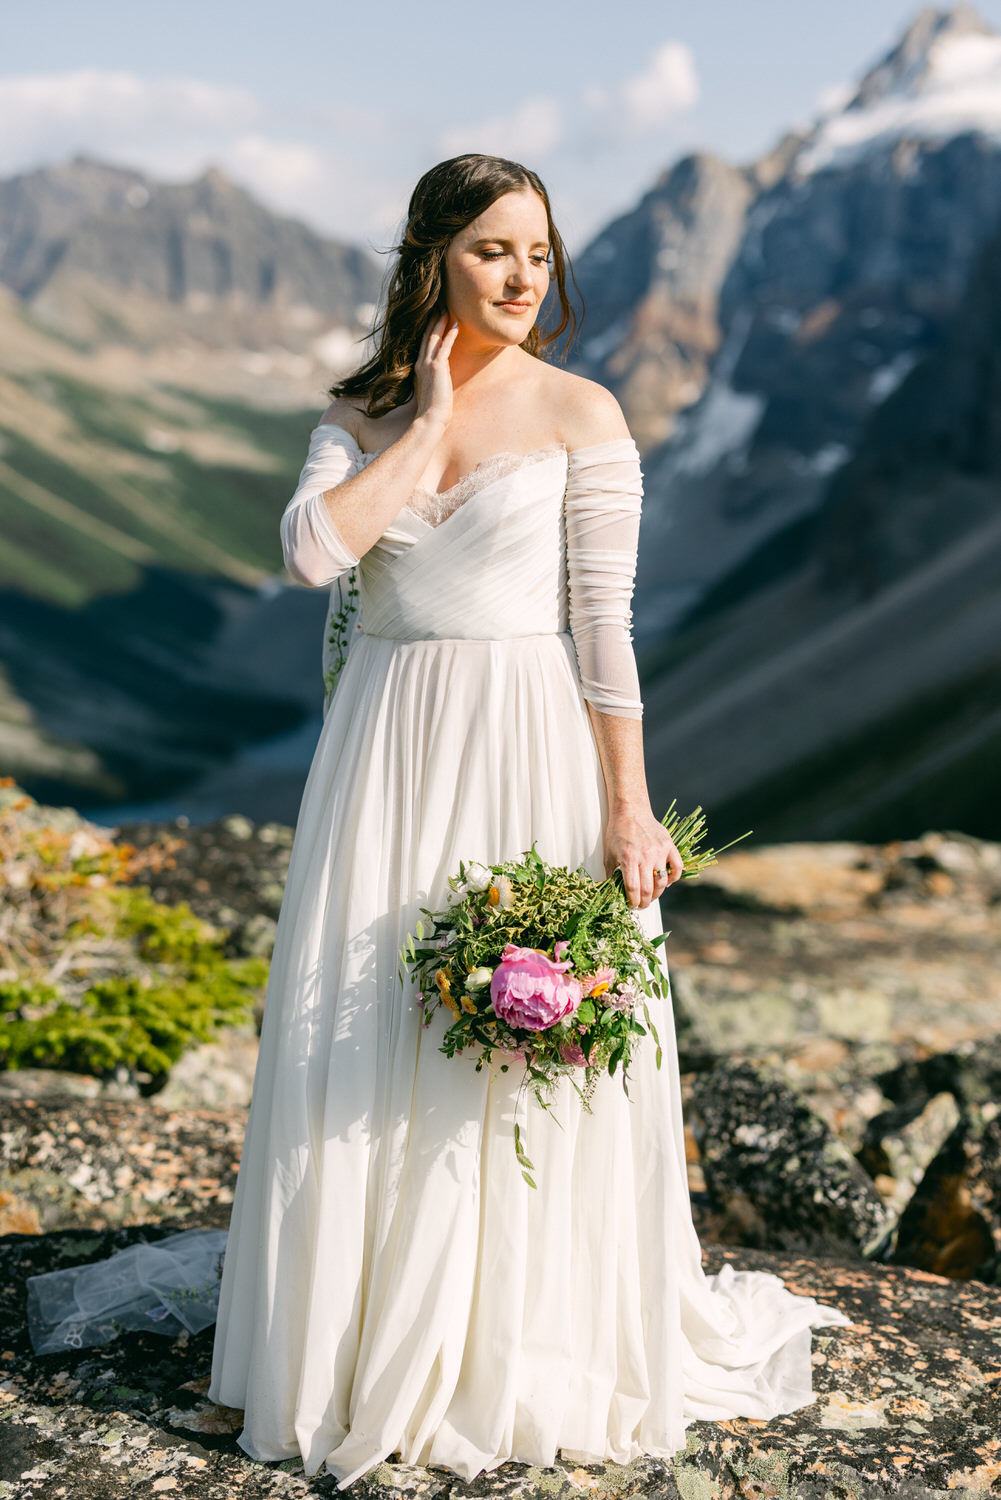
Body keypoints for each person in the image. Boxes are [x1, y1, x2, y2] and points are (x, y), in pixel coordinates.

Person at [25, 154, 852, 1488]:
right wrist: (419, 425)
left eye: (537, 253)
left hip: (530, 746)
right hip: (387, 759)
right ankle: (365, 1335)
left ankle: (523, 1331)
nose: (522, 277)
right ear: (434, 263)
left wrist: (629, 815)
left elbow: (604, 634)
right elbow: (310, 555)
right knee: (370, 1028)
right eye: (491, 252)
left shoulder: (587, 412)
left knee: (529, 1042)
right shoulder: (359, 423)